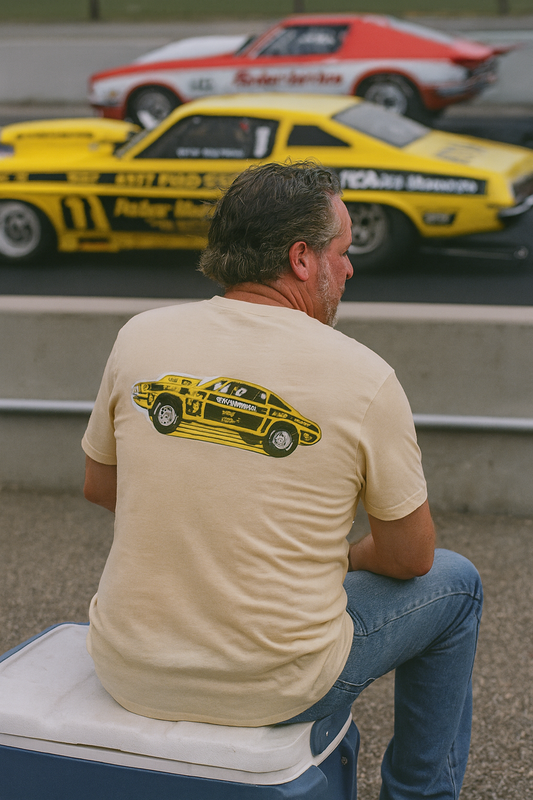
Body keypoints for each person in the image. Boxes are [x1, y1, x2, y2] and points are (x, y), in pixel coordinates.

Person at [83, 161, 482, 799]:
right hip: (274, 683)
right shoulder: (364, 376)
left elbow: (102, 487)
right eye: (343, 252)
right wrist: (335, 556)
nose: (350, 269)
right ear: (302, 258)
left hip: (126, 666)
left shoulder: (140, 336)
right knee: (457, 583)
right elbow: (412, 558)